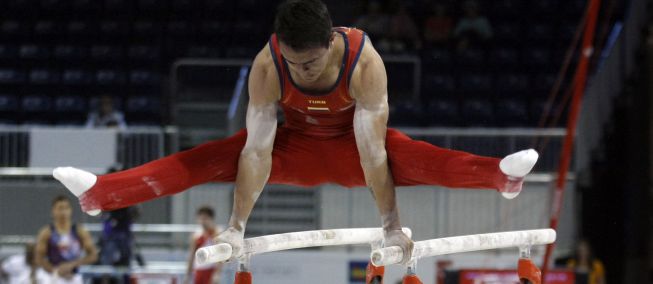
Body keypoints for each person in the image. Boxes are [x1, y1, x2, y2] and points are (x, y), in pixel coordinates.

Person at [52, 0, 538, 266]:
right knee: (211, 154)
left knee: (414, 155)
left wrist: (390, 224)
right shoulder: (268, 65)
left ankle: (500, 176)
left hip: (357, 153)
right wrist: (237, 226)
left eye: (308, 62)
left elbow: (372, 155)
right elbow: (257, 152)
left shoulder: (364, 63)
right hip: (293, 151)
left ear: (331, 44)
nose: (300, 72)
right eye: (292, 61)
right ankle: (102, 194)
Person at [35, 195, 98, 284]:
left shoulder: (79, 231)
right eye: (60, 208)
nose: (63, 212)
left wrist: (72, 265)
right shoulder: (47, 233)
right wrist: (55, 271)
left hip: (74, 277)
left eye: (66, 208)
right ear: (53, 211)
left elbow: (93, 255)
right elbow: (39, 258)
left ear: (71, 210)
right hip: (54, 276)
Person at [184, 206, 224, 284]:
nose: (202, 221)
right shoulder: (196, 236)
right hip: (198, 270)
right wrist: (188, 275)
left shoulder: (217, 233)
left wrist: (217, 273)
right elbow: (191, 256)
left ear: (211, 219)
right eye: (200, 219)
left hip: (211, 270)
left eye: (205, 219)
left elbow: (220, 255)